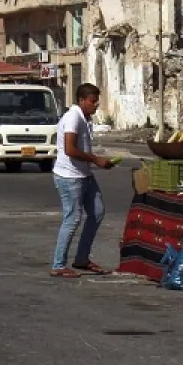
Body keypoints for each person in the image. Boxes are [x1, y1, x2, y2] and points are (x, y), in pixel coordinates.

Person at [50, 82, 115, 278]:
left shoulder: (86, 118)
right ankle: (58, 264)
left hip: (84, 174)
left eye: (97, 101)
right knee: (72, 218)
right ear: (81, 100)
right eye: (92, 101)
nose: (96, 105)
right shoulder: (73, 117)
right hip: (69, 176)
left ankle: (82, 258)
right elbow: (70, 149)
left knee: (97, 212)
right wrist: (95, 159)